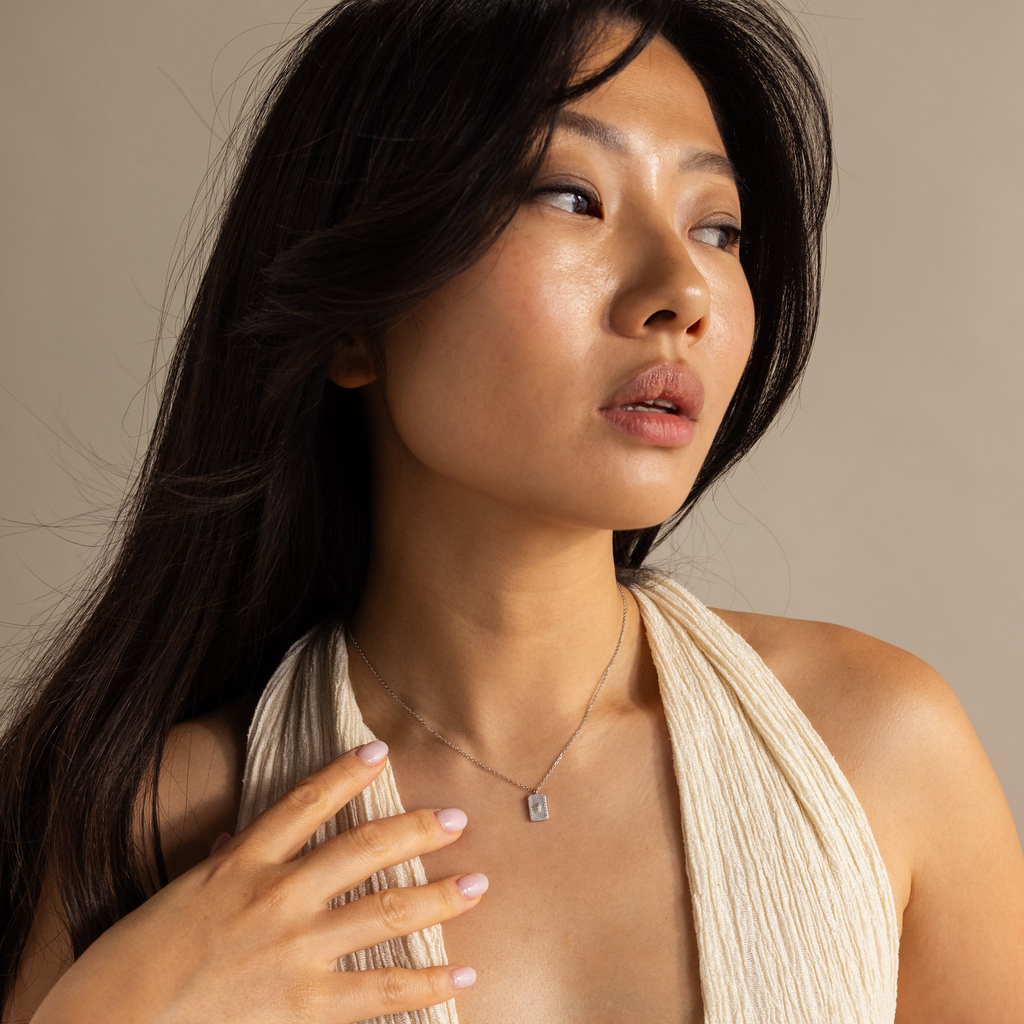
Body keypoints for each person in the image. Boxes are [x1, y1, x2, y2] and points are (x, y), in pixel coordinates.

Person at [2, 0, 1022, 1021]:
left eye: (717, 228)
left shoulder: (879, 754)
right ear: (357, 321)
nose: (683, 290)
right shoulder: (159, 824)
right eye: (572, 196)